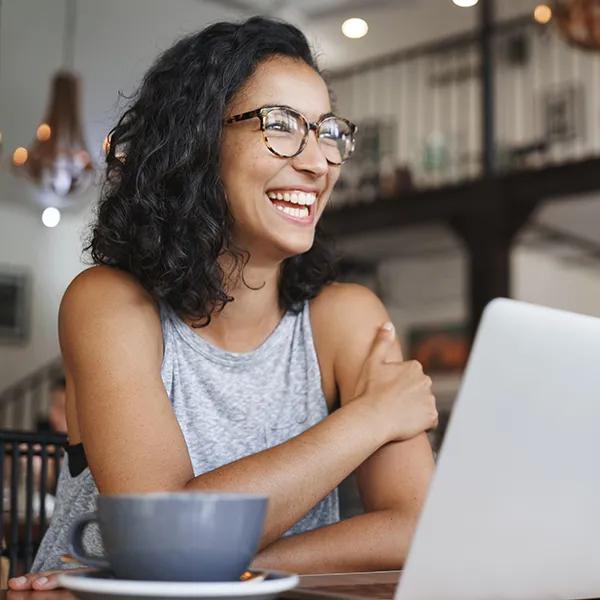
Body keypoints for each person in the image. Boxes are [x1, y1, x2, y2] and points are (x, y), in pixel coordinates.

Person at [9, 16, 437, 591]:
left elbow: (416, 526)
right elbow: (166, 534)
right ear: (198, 140)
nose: (317, 163)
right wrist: (370, 418)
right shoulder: (108, 303)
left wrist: (233, 569)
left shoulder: (347, 318)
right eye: (281, 126)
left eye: (327, 131)